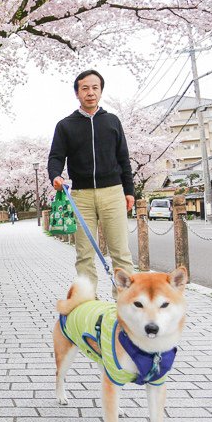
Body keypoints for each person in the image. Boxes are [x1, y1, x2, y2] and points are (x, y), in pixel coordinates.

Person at [47, 70, 136, 281]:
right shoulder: (65, 125)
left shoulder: (112, 121)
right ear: (77, 93)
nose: (90, 92)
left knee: (121, 253)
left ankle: (124, 304)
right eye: (85, 88)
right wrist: (55, 176)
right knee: (84, 255)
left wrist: (129, 191)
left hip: (113, 193)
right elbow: (55, 157)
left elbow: (124, 159)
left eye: (95, 88)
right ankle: (87, 301)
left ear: (101, 91)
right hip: (80, 196)